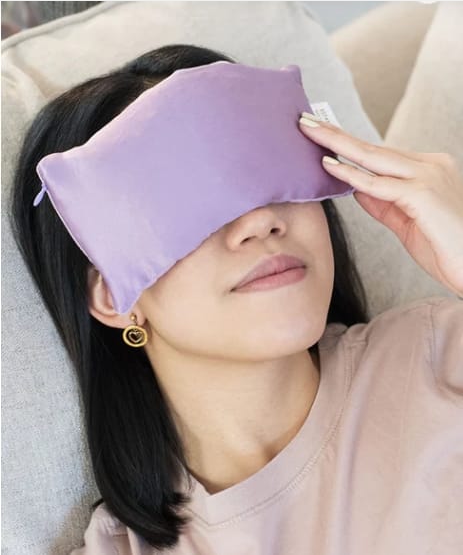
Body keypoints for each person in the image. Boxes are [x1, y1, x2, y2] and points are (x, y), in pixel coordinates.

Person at [9, 43, 463, 554]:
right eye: (187, 201)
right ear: (113, 294)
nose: (260, 221)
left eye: (270, 175)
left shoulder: (441, 357)